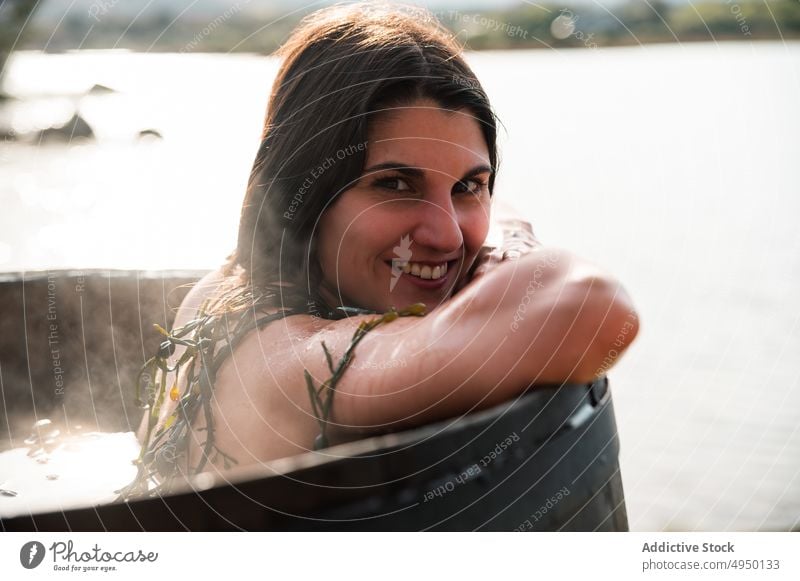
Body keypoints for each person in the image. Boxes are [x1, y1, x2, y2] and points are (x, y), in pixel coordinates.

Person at [134, 2, 639, 487]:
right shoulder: (300, 365)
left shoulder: (224, 291)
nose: (445, 235)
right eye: (395, 185)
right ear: (300, 191)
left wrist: (493, 246)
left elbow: (502, 222)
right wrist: (508, 259)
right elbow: (594, 311)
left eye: (468, 187)